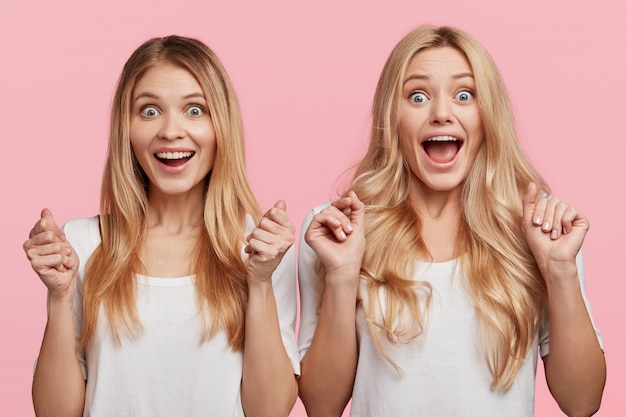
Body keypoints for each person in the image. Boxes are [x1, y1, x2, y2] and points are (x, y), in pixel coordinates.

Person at [297, 25, 606, 417]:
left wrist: (559, 269)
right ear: (393, 116)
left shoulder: (541, 227)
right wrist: (342, 275)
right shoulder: (337, 230)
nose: (442, 114)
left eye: (464, 95)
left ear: (488, 114)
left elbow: (582, 403)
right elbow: (322, 406)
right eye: (418, 96)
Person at [23, 35, 299, 417]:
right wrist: (59, 297)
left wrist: (261, 281)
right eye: (149, 111)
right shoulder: (83, 243)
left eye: (195, 110)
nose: (171, 131)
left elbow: (269, 411)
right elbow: (55, 413)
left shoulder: (261, 246)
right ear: (127, 128)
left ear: (223, 126)